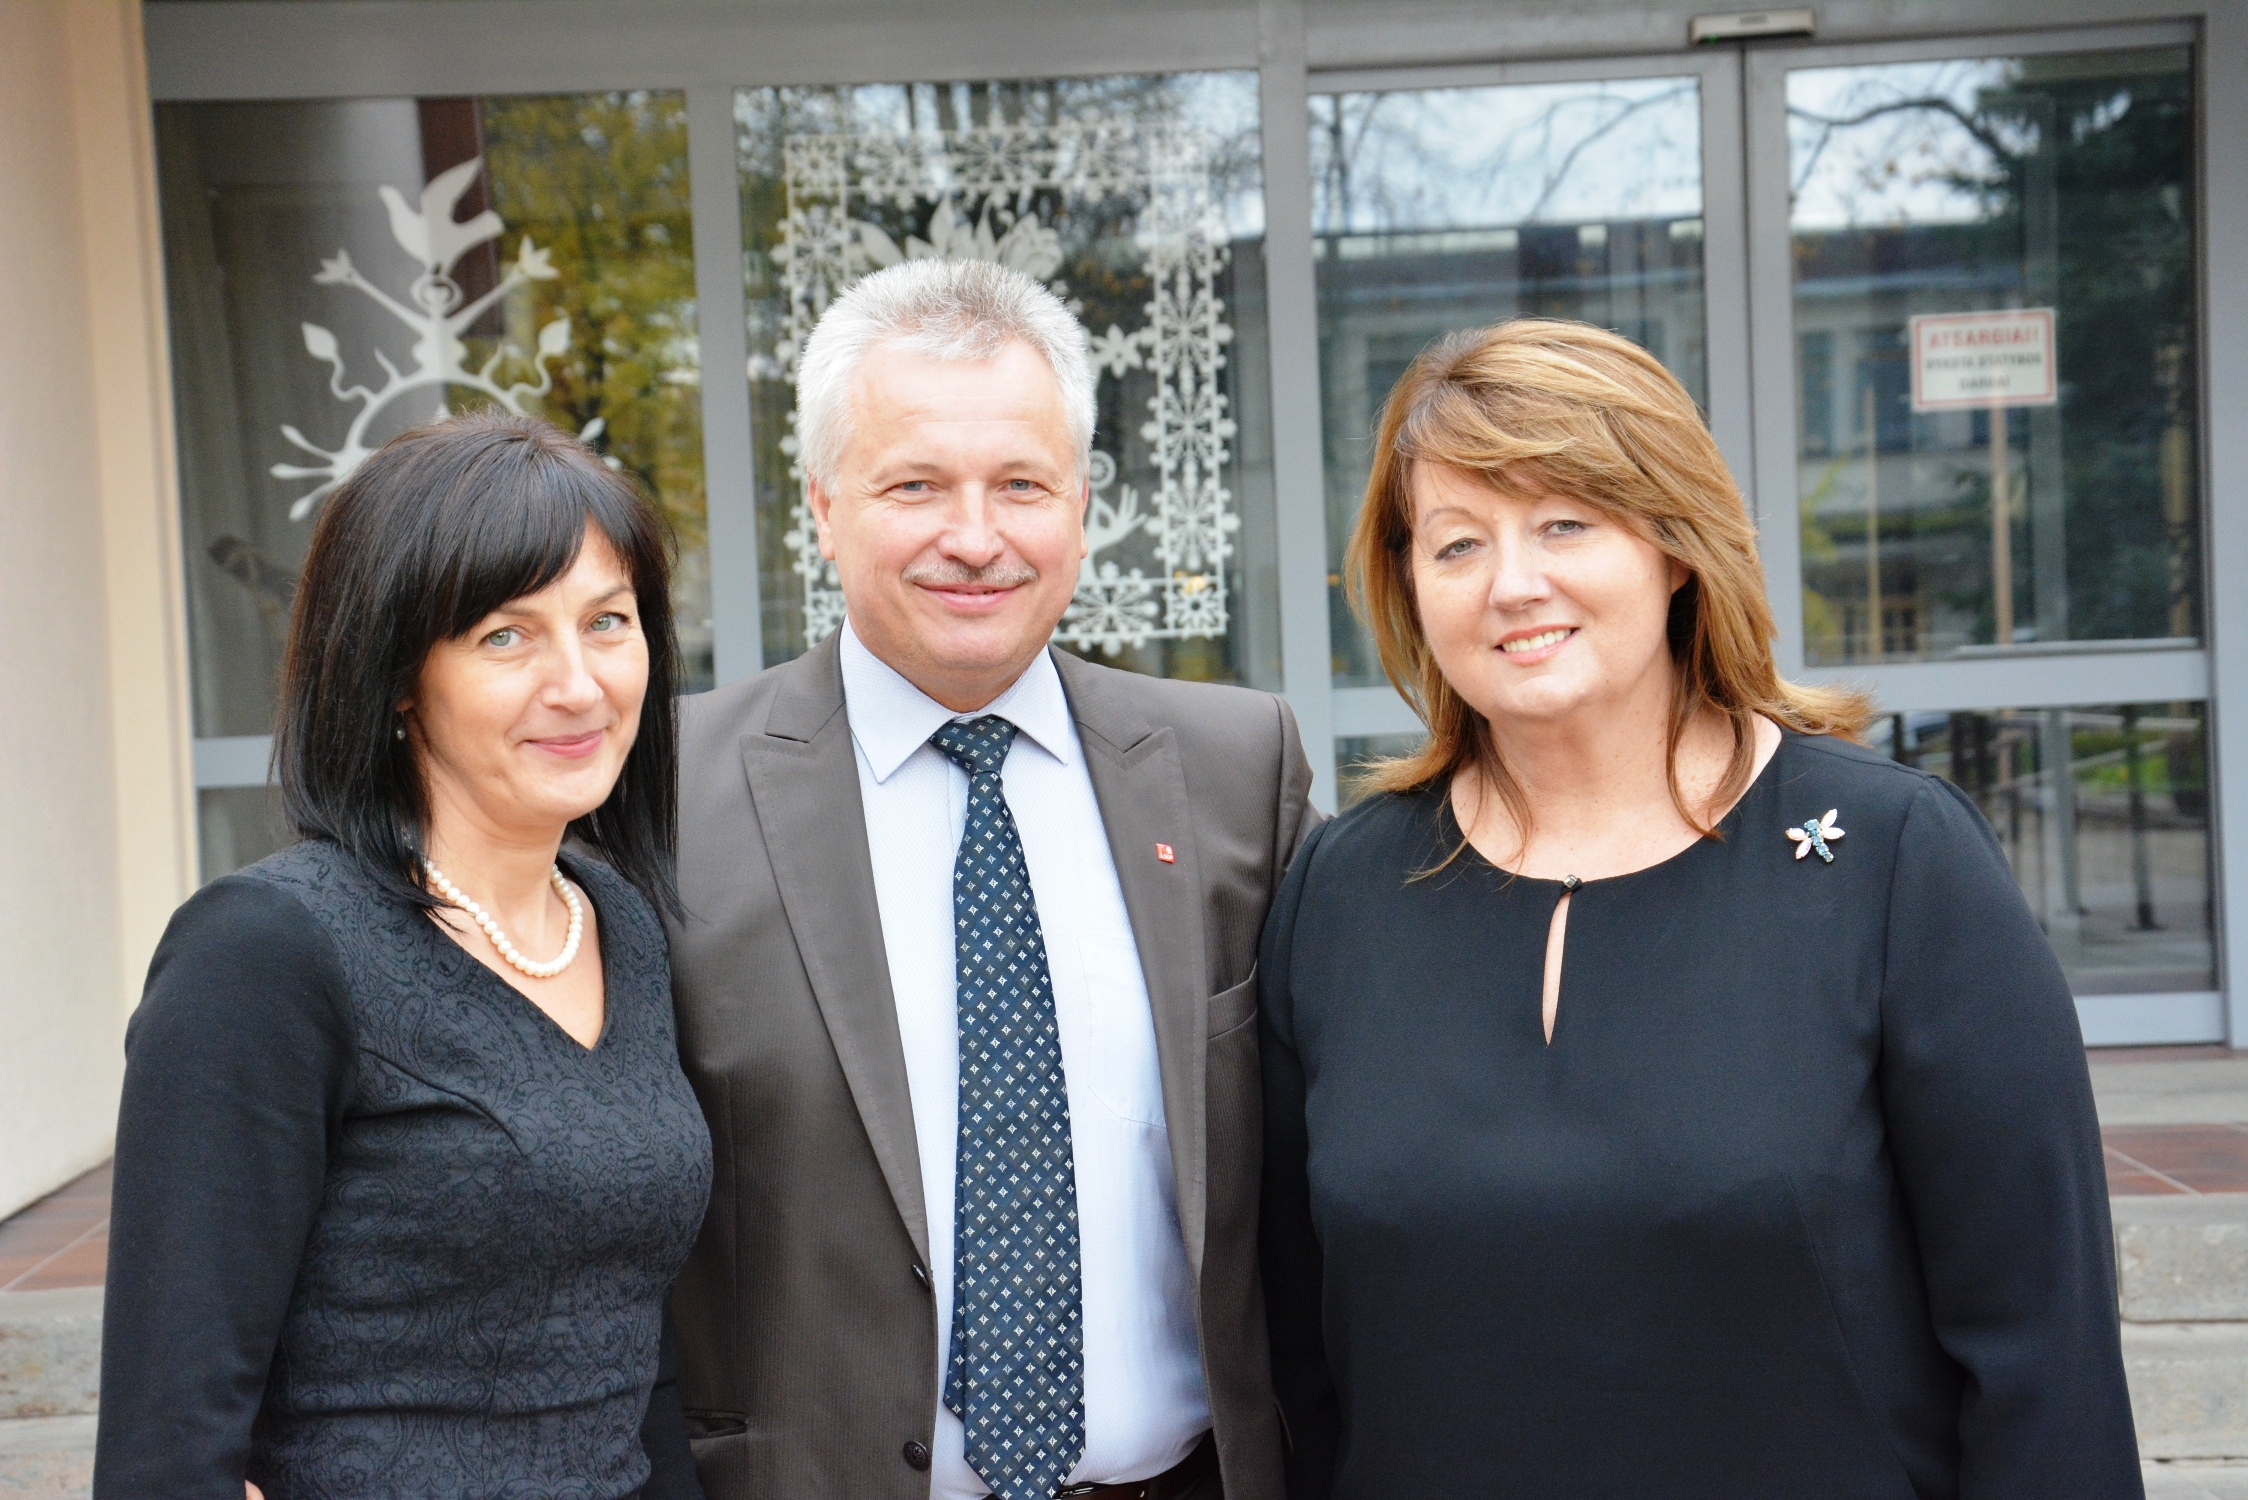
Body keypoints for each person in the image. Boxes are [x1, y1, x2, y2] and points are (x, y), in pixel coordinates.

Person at [1258, 320, 2142, 1499]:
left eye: (1564, 523)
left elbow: (2043, 1352)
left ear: (1673, 546)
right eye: (1457, 542)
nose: (1512, 584)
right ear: (1409, 587)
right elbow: (1299, 1354)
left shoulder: (1895, 862)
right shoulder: (1341, 891)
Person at [666, 258, 1315, 1500]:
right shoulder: (664, 795)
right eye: (914, 485)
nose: (975, 539)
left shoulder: (1236, 771)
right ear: (823, 508)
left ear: (1080, 505)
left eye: (1021, 484)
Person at [95, 413, 712, 1500]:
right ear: (395, 675)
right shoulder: (268, 953)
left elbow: (636, 1360)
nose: (579, 684)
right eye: (506, 637)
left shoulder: (621, 924)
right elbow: (167, 1437)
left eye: (607, 622)